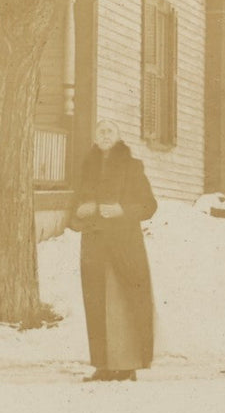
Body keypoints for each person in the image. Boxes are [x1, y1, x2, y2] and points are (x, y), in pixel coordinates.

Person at [68, 119, 158, 382]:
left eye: (110, 131)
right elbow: (74, 207)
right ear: (95, 137)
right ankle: (103, 365)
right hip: (95, 245)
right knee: (97, 303)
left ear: (118, 137)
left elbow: (149, 205)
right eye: (101, 131)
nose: (105, 135)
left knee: (125, 301)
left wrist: (122, 210)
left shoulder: (132, 166)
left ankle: (128, 365)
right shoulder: (86, 167)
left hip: (124, 245)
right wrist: (80, 211)